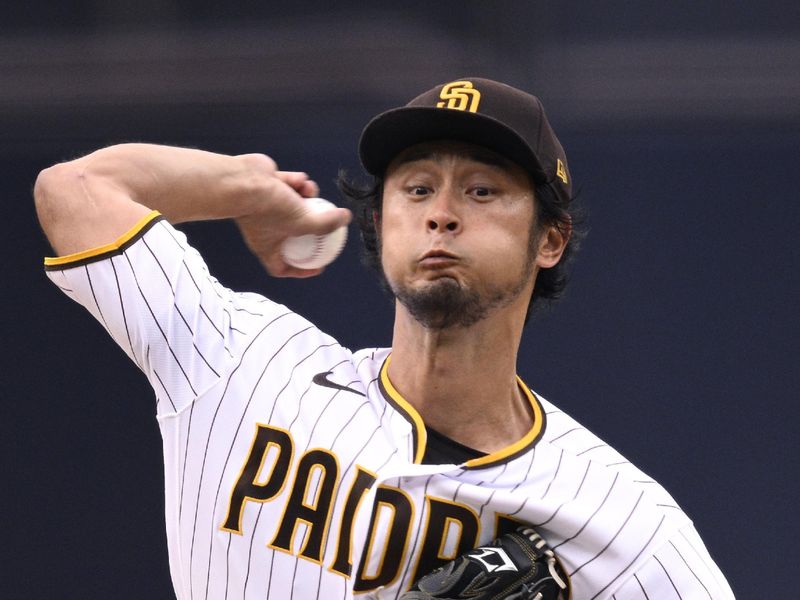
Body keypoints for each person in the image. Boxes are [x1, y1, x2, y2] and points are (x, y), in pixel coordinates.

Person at [35, 77, 734, 599]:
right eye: (417, 188)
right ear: (377, 224)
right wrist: (247, 185)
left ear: (550, 239)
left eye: (482, 191)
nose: (442, 215)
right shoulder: (240, 364)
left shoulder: (619, 519)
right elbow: (76, 190)